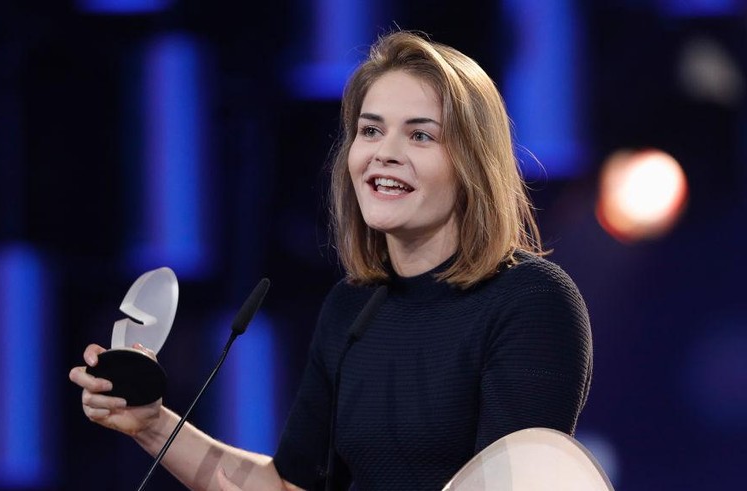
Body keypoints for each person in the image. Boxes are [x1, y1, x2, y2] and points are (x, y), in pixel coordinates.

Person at [69, 31, 592, 490]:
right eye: (370, 130)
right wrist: (152, 423)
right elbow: (286, 486)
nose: (383, 152)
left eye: (420, 134)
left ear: (474, 164)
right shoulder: (353, 308)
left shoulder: (532, 301)